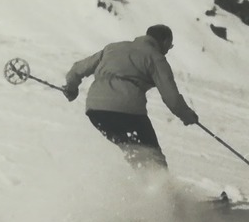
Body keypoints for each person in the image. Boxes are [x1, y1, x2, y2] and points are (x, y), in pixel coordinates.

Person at [62, 24, 200, 169]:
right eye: (170, 46)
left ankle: (143, 187)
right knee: (151, 153)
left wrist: (71, 88)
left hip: (96, 111)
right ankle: (160, 188)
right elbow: (171, 97)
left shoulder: (112, 48)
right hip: (126, 111)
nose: (168, 50)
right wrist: (186, 115)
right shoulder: (155, 57)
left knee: (133, 150)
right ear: (164, 41)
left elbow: (77, 69)